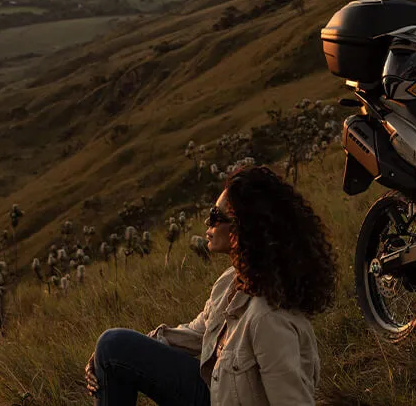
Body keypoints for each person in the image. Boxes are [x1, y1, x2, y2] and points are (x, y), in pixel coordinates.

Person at [84, 166, 338, 405]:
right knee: (112, 345)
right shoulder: (231, 282)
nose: (208, 224)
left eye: (216, 217)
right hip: (215, 394)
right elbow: (197, 334)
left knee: (112, 346)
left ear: (243, 227)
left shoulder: (268, 320)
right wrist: (109, 356)